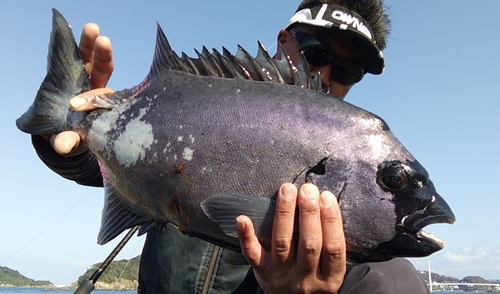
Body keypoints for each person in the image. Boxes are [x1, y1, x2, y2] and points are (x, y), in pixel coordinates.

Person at [32, 0, 430, 293]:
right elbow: (95, 166)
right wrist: (70, 123)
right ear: (284, 40)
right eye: (316, 52)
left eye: (346, 71)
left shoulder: (373, 270)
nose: (324, 74)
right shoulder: (202, 101)